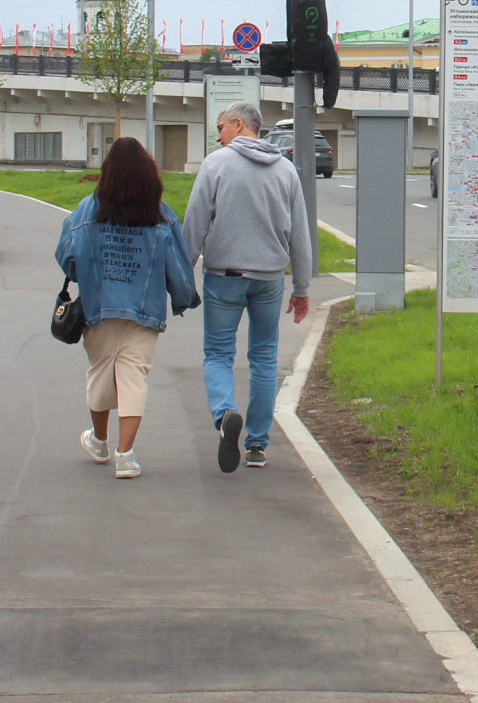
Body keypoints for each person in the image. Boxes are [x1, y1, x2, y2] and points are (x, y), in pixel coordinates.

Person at [54, 138, 198, 480]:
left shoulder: (87, 210)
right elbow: (178, 267)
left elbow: (66, 257)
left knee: (101, 374)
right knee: (134, 377)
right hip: (143, 311)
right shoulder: (161, 215)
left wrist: (85, 274)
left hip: (98, 309)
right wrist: (182, 298)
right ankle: (126, 454)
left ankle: (100, 441)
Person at [184, 102, 312, 472]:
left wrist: (180, 277)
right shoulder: (286, 171)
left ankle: (225, 415)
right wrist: (301, 289)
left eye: (221, 127)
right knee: (264, 357)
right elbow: (299, 236)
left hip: (224, 276)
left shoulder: (216, 165)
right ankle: (256, 444)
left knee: (219, 354)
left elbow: (195, 225)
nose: (218, 134)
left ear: (239, 125)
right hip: (270, 278)